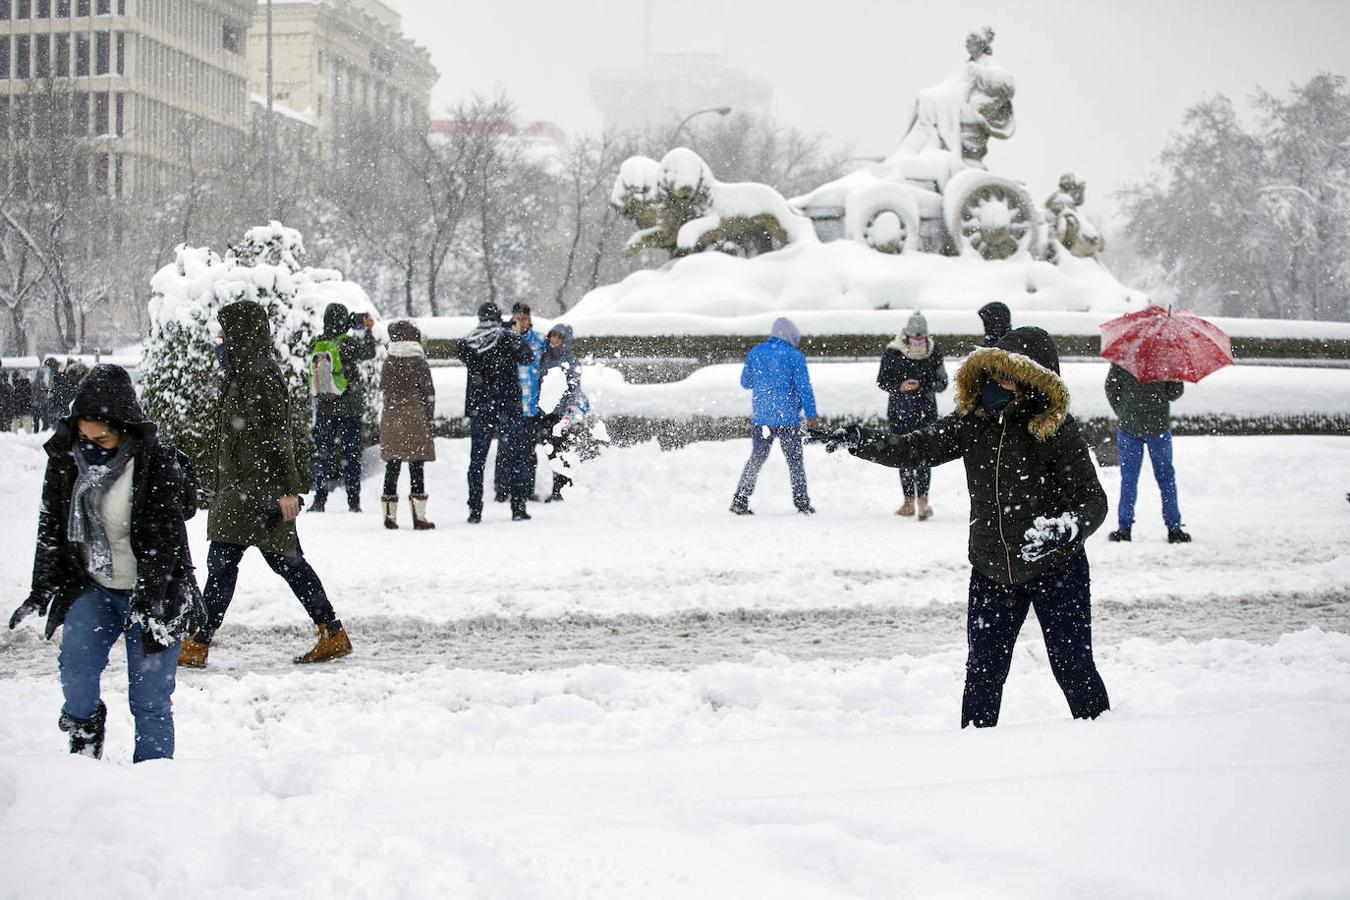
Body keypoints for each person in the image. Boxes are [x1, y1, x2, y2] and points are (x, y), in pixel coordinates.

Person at [809, 327, 1110, 728]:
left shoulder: (1054, 429)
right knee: (983, 675)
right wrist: (861, 440)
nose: (998, 385)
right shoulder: (974, 421)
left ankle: (1103, 745)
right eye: (995, 374)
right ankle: (972, 758)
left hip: (1056, 568)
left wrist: (1067, 529)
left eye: (1009, 378)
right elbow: (914, 448)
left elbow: (1094, 500)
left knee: (1073, 668)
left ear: (1033, 383)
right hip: (992, 569)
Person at [8, 364, 203, 761]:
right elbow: (52, 526)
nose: (93, 445)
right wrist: (41, 587)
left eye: (104, 438)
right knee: (76, 675)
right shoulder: (66, 460)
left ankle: (153, 781)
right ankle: (84, 748)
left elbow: (164, 542)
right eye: (85, 436)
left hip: (154, 592)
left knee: (149, 700)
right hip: (95, 587)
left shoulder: (154, 464)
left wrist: (149, 605)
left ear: (125, 428)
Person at [177, 300, 351, 669]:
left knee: (270, 564)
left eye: (225, 329)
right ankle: (329, 631)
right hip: (243, 490)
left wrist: (288, 490)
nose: (219, 336)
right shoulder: (243, 371)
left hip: (259, 492)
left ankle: (199, 642)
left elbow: (277, 435)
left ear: (241, 330)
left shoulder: (258, 374)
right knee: (250, 563)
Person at [730, 316, 819, 515]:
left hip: (762, 420)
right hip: (788, 420)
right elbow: (804, 388)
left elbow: (745, 382)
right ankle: (802, 502)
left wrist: (764, 378)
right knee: (795, 462)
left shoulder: (756, 352)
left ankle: (740, 499)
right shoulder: (795, 356)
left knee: (756, 459)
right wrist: (811, 415)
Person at [457, 301, 534, 523]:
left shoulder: (468, 341)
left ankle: (475, 510)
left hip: (480, 408)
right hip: (508, 406)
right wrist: (514, 334)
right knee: (517, 457)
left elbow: (465, 356)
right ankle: (518, 508)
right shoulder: (507, 338)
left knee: (477, 461)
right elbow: (527, 357)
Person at [1104, 363, 1190, 544]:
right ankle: (1174, 529)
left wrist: (1123, 411)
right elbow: (1174, 393)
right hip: (1157, 426)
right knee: (1166, 478)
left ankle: (1124, 528)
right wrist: (1175, 377)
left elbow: (1111, 387)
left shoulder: (1124, 357)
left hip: (1129, 426)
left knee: (1129, 479)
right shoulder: (1165, 358)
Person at [877, 311, 949, 519]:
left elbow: (942, 382)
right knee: (905, 457)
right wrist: (900, 386)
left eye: (921, 337)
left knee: (924, 456)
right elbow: (882, 380)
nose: (918, 341)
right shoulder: (892, 351)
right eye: (914, 337)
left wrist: (924, 385)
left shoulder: (934, 352)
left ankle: (923, 502)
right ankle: (908, 501)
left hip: (926, 413)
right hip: (900, 413)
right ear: (907, 335)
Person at [309, 302, 376, 513]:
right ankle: (353, 502)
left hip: (325, 405)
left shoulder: (318, 342)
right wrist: (367, 330)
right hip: (350, 408)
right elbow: (370, 352)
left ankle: (319, 501)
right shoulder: (348, 344)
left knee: (322, 455)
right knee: (351, 456)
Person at [379, 320, 436, 530]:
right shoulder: (419, 362)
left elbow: (383, 389)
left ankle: (389, 516)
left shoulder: (389, 361)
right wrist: (429, 419)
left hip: (392, 418)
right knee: (416, 466)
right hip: (416, 418)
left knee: (392, 466)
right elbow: (429, 393)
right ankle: (419, 517)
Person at [538, 324, 597, 503]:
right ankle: (561, 488)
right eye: (552, 336)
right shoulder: (544, 357)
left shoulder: (570, 360)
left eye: (558, 337)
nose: (554, 340)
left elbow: (574, 388)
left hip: (561, 413)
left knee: (559, 452)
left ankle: (562, 489)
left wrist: (568, 413)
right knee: (551, 451)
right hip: (545, 412)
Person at [494, 302, 547, 503]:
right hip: (508, 403)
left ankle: (526, 488)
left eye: (525, 318)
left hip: (531, 404)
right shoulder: (504, 339)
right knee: (505, 449)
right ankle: (502, 488)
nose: (522, 322)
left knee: (527, 450)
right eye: (518, 318)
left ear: (530, 319)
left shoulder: (540, 341)